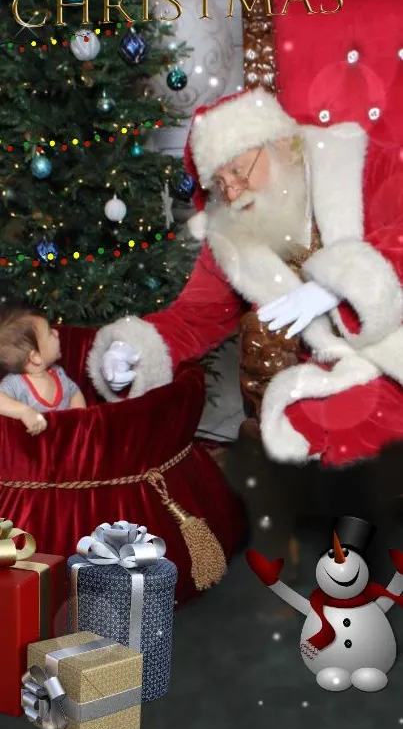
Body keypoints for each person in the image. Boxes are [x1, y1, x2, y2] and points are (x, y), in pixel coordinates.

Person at [86, 87, 403, 568]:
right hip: (328, 371)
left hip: (392, 341)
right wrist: (132, 347)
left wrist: (344, 284)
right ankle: (357, 581)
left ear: (280, 143)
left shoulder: (355, 161)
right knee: (329, 426)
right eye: (219, 183)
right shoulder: (230, 236)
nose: (232, 191)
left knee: (362, 432)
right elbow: (194, 316)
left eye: (239, 170)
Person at [0, 304, 86, 435]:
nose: (56, 333)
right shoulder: (16, 383)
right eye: (50, 332)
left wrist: (80, 419)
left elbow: (73, 392)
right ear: (35, 357)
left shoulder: (58, 373)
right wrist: (23, 411)